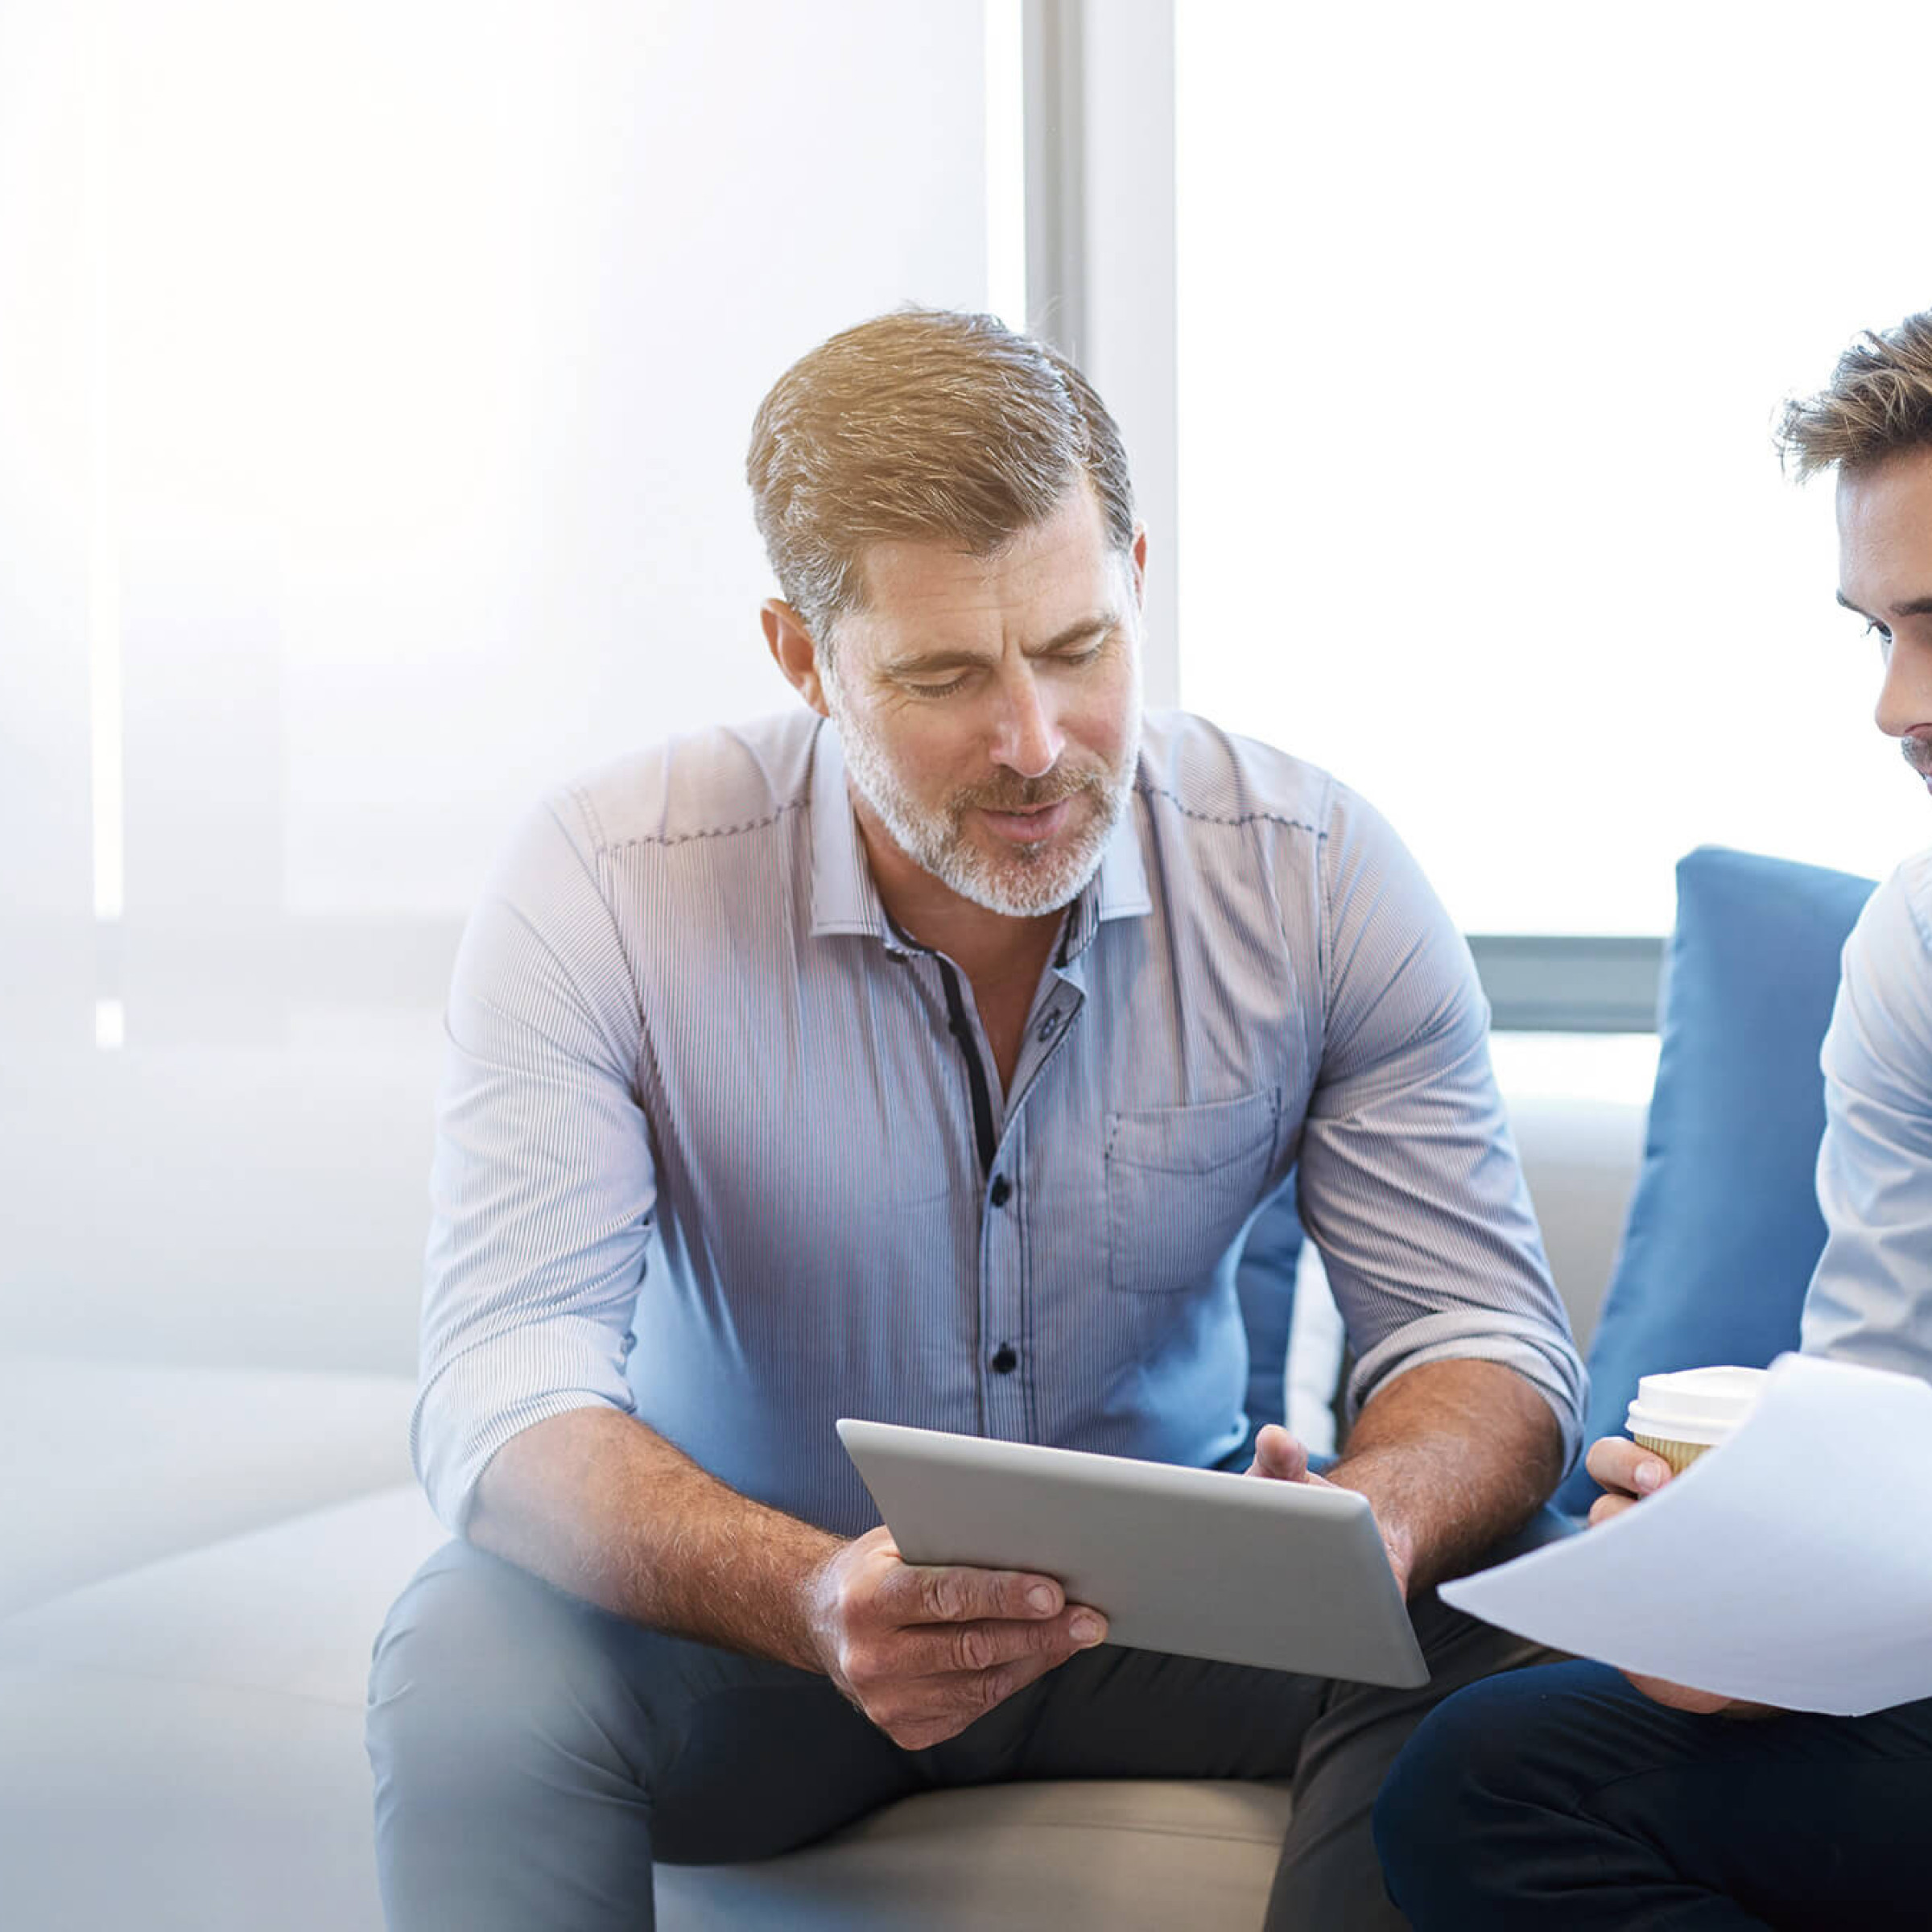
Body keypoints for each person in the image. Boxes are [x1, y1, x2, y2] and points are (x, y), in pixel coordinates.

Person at [365, 308, 1586, 1932]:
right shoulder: (603, 884)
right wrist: (806, 1593)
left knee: (1521, 1608)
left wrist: (1377, 1516)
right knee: (467, 1653)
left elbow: (1483, 1335)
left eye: (1078, 649)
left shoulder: (1314, 871)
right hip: (758, 1631)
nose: (1032, 744)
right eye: (943, 675)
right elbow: (504, 1386)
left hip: (1182, 1623)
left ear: (1135, 571)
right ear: (804, 655)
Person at [1373, 309, 1932, 1930]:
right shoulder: (1914, 946)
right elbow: (1887, 1415)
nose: (1898, 704)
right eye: (1875, 631)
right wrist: (1762, 1597)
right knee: (1488, 1787)